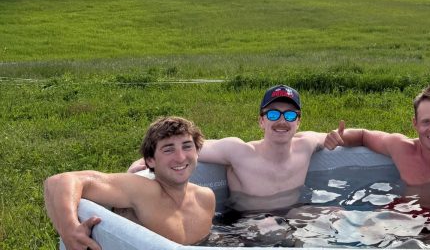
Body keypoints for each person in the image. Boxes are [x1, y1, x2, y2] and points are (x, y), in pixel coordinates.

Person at [129, 84, 330, 210]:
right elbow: (192, 147)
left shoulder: (306, 144)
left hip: (294, 217)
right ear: (261, 121)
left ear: (298, 122)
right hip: (246, 227)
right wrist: (144, 161)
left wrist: (362, 136)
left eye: (290, 115)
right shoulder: (237, 152)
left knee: (335, 216)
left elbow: (338, 136)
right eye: (273, 114)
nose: (282, 121)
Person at [44, 116, 215, 250]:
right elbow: (59, 181)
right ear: (150, 160)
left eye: (187, 146)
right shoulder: (142, 191)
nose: (180, 157)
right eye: (168, 149)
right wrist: (69, 229)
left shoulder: (206, 197)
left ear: (197, 152)